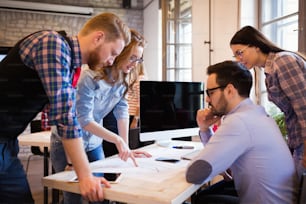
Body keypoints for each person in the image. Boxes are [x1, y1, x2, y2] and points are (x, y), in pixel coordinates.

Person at [0, 12, 130, 203]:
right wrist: (85, 175)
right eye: (113, 53)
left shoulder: (68, 63)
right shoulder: (52, 44)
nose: (112, 61)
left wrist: (75, 165)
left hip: (7, 143)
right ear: (98, 37)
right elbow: (65, 116)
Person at [50, 29, 152, 204]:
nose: (135, 63)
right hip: (68, 144)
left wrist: (125, 147)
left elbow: (122, 111)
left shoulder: (123, 79)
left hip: (94, 143)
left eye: (139, 59)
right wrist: (118, 141)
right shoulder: (89, 78)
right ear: (120, 53)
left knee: (99, 194)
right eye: (133, 57)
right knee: (75, 196)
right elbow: (84, 120)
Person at [186, 61, 298, 204]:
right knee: (207, 194)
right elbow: (220, 159)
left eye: (211, 92)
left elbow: (195, 174)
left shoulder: (239, 121)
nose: (207, 99)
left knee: (202, 199)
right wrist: (204, 129)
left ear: (230, 90)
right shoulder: (257, 114)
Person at [230, 25, 306, 179]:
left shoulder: (282, 61)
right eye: (235, 56)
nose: (239, 59)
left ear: (255, 46)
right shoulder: (269, 70)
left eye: (240, 53)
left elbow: (303, 106)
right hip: (297, 142)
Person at [128, 62, 146, 129]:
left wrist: (135, 120)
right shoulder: (136, 79)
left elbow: (140, 103)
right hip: (131, 114)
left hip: (133, 115)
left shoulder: (140, 80)